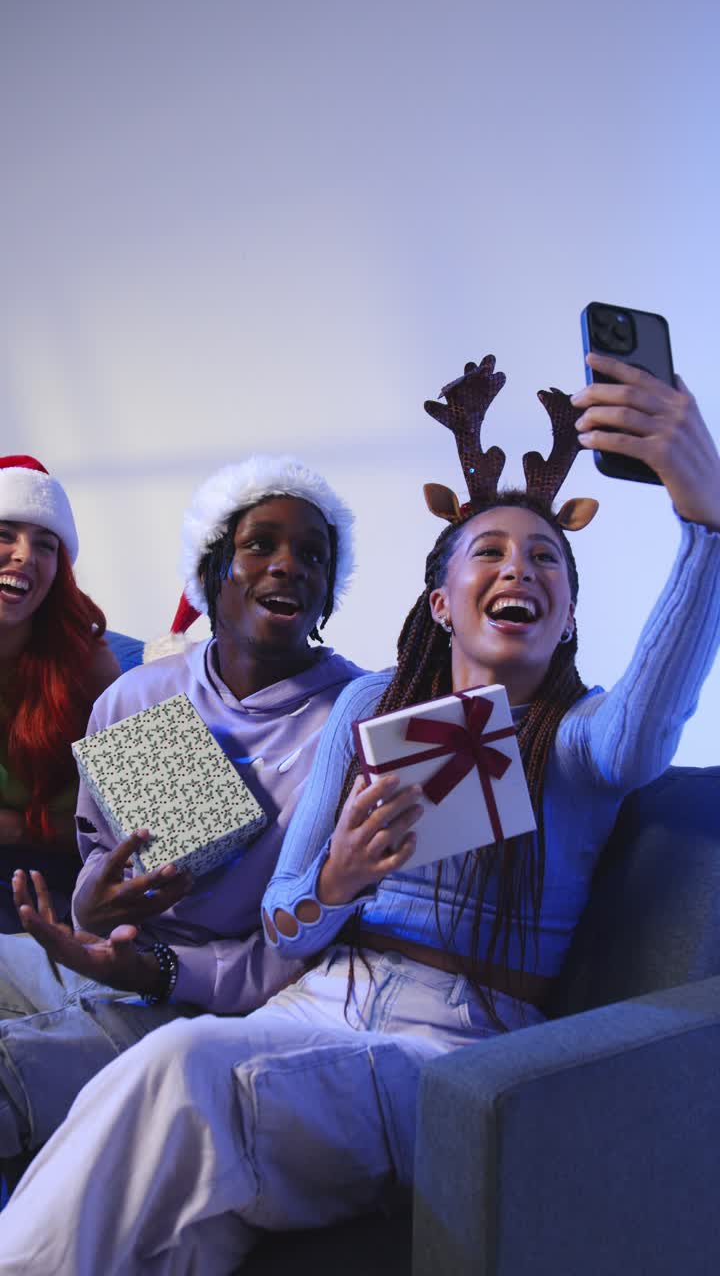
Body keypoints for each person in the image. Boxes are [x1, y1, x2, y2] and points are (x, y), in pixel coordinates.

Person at [2, 355, 718, 1275]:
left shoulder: (579, 739)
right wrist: (337, 879)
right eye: (489, 553)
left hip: (445, 1043)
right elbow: (287, 912)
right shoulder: (365, 707)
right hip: (308, 999)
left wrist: (704, 523)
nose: (519, 568)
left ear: (570, 613)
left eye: (546, 558)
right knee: (175, 1218)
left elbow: (647, 732)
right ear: (440, 601)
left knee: (176, 1067)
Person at [0, 453, 363, 1171]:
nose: (289, 565)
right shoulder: (139, 697)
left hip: (207, 1006)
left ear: (327, 595)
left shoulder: (359, 721)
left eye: (313, 555)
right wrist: (94, 904)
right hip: (97, 960)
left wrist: (159, 969)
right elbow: (96, 857)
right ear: (209, 572)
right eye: (260, 544)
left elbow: (304, 949)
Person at [0, 455, 120, 933]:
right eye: (5, 534)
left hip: (60, 873)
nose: (25, 555)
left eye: (45, 545)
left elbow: (151, 828)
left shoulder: (88, 663)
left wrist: (16, 829)